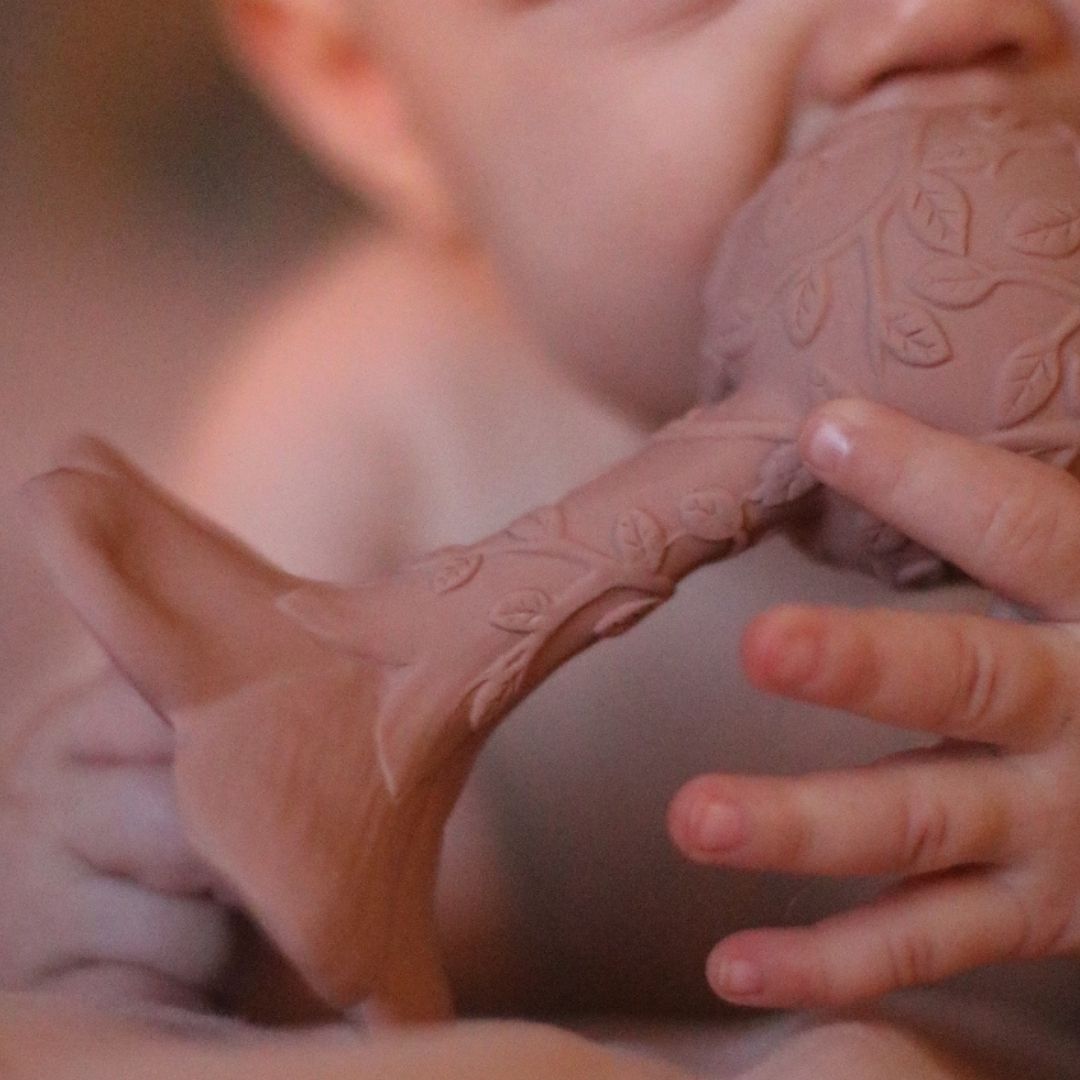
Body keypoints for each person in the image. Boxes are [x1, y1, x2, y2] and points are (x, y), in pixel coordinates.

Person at [3, 0, 1080, 1076]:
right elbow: (212, 803)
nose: (947, 18)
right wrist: (116, 901)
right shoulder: (380, 422)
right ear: (371, 95)